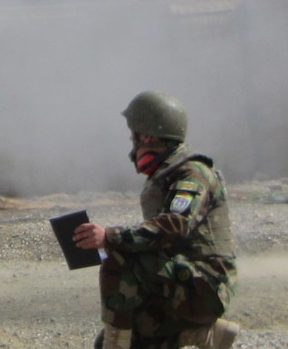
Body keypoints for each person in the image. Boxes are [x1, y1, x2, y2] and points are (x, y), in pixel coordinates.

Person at [72, 90, 238, 349]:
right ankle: (201, 335)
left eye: (135, 135)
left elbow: (175, 225)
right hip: (182, 279)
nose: (132, 141)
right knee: (132, 336)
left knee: (120, 256)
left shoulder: (192, 174)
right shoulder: (169, 173)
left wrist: (109, 237)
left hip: (206, 286)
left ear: (148, 136)